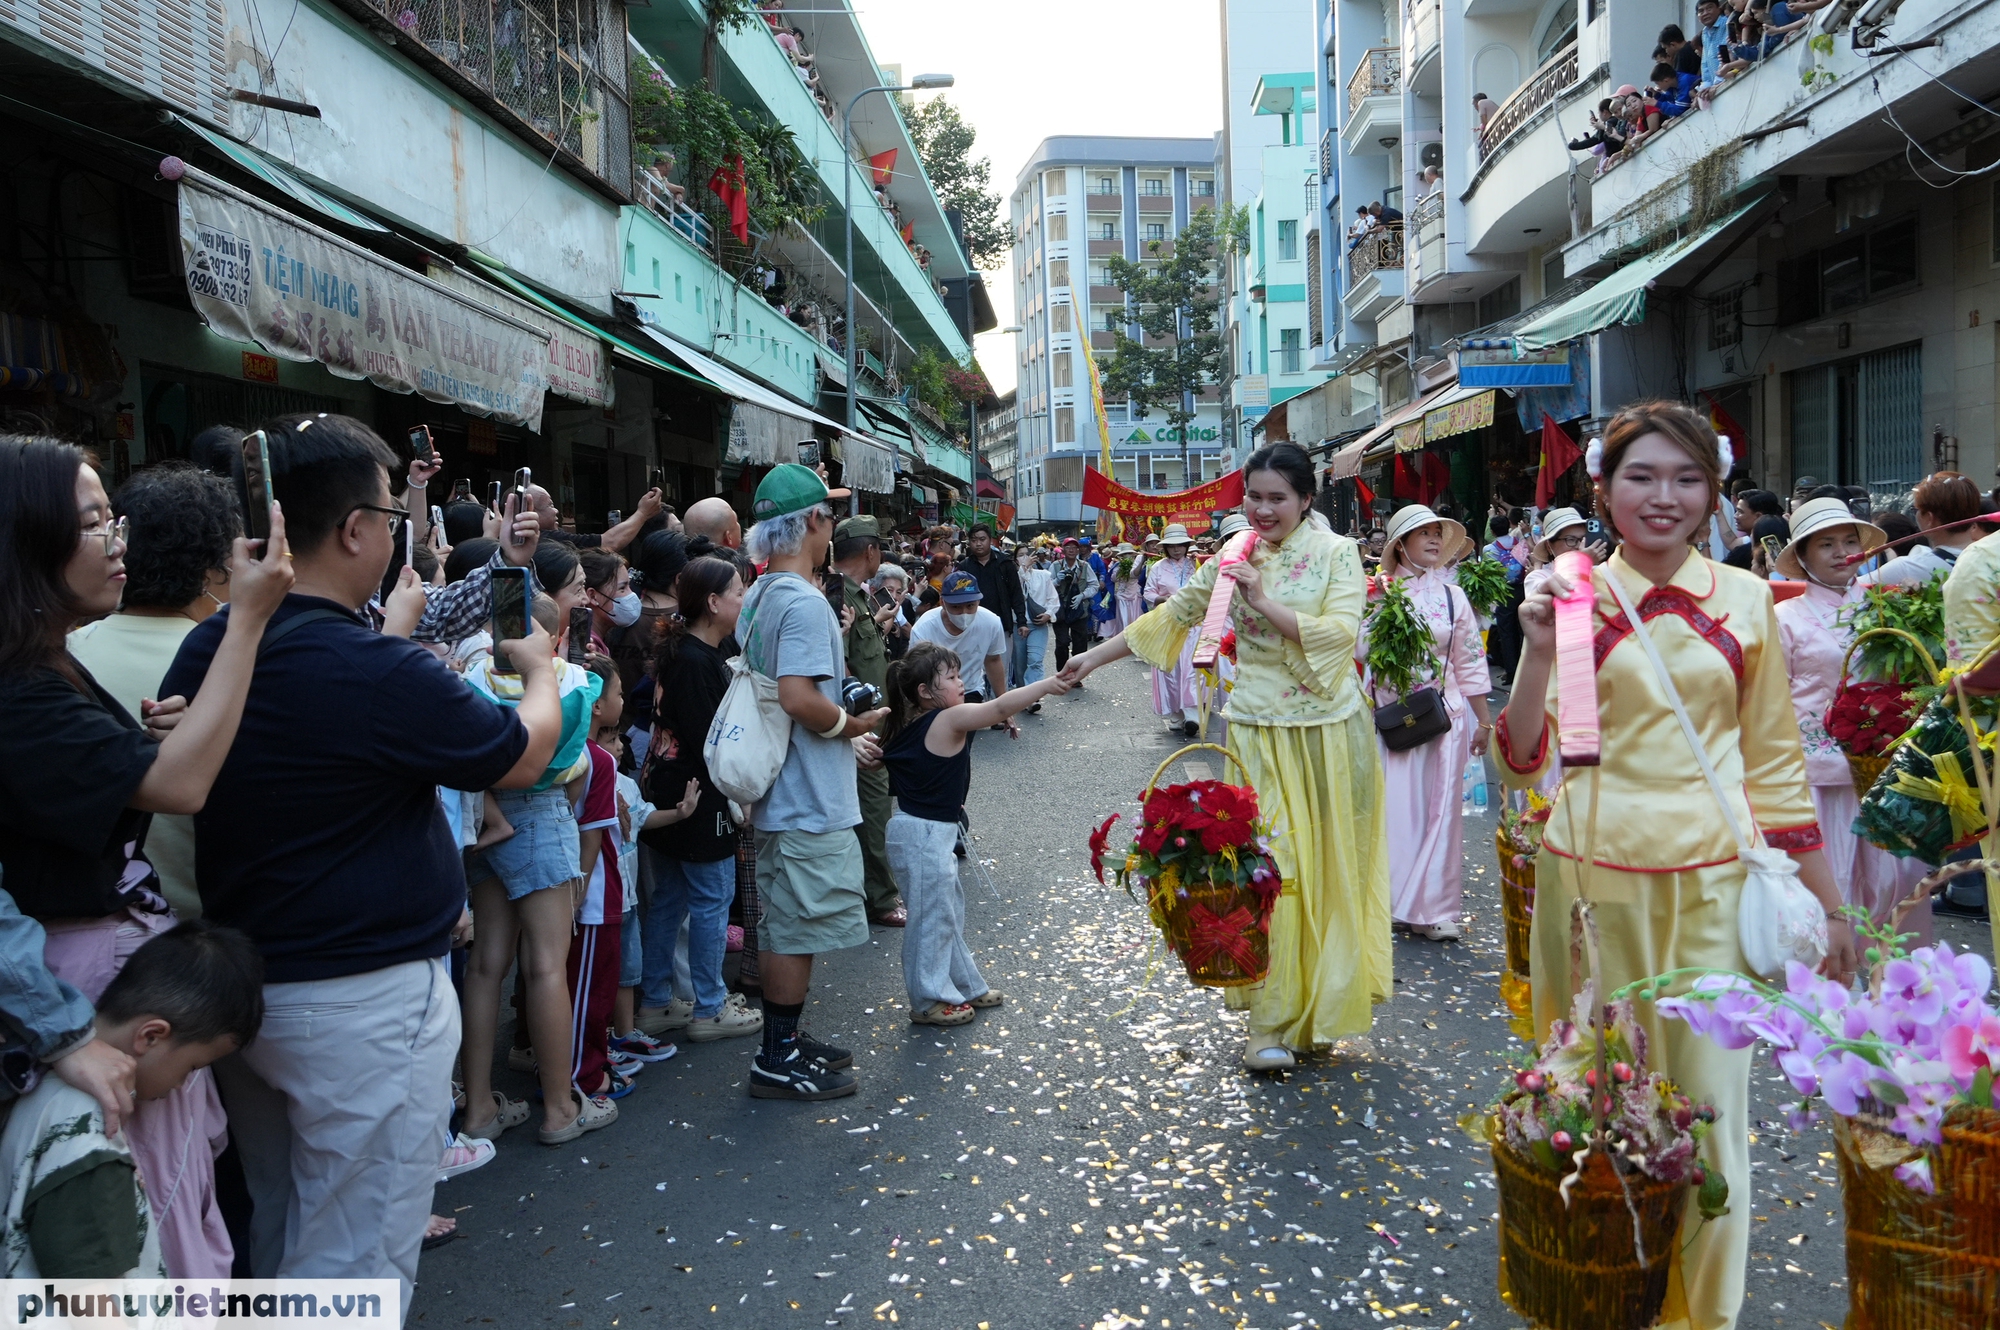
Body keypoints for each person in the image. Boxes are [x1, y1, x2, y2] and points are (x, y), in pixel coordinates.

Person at [156, 414, 561, 1304]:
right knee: (355, 1259)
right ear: (354, 530)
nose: (392, 533)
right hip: (362, 1001)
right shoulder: (374, 668)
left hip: (245, 988)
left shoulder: (213, 645)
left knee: (282, 1223)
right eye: (391, 516)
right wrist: (539, 674)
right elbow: (523, 756)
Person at [1499, 400, 1855, 1330]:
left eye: (1686, 479)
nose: (1664, 498)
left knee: (1709, 1113)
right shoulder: (1568, 593)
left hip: (1711, 883)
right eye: (1641, 477)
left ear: (1714, 490)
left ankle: (1704, 1313)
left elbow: (1775, 765)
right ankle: (1604, 1291)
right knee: (1593, 1100)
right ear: (1603, 489)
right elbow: (1530, 757)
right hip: (1589, 887)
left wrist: (1833, 909)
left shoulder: (1747, 600)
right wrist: (1537, 655)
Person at [0, 434, 295, 1275]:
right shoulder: (19, 691)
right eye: (94, 525)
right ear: (24, 541)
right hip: (78, 986)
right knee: (141, 1222)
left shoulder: (50, 661)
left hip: (98, 976)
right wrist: (247, 618)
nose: (116, 543)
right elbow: (182, 785)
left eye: (114, 519)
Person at [1061, 442, 1391, 1072]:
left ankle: (1317, 1014)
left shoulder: (1338, 553)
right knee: (1271, 867)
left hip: (1331, 728)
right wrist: (1091, 662)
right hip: (1257, 729)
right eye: (1254, 497)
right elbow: (1174, 614)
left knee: (1329, 867)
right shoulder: (1232, 554)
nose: (1262, 511)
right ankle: (1267, 1022)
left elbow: (1340, 634)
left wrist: (1264, 601)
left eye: (1277, 499)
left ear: (1306, 500)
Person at [738, 464, 887, 1100]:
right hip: (803, 792)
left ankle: (787, 1042)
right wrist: (851, 725)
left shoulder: (761, 592)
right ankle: (775, 1058)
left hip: (783, 787)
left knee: (789, 920)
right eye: (826, 516)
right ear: (810, 525)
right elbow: (800, 698)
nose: (831, 527)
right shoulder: (798, 601)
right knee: (795, 926)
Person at [0, 920, 263, 1279]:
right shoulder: (88, 1133)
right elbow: (86, 1298)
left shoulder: (35, 1090)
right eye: (192, 1068)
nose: (181, 1086)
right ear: (151, 1036)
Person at [459, 591, 611, 1142]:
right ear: (550, 638)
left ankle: (478, 1109)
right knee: (547, 965)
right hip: (541, 814)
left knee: (485, 966)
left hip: (485, 814)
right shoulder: (568, 680)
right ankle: (559, 1108)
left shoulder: (472, 678)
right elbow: (571, 758)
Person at [67, 462, 240, 922]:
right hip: (214, 933)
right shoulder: (235, 664)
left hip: (102, 927)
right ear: (212, 570)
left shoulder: (60, 656)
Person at [880, 642, 1069, 1026]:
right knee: (932, 920)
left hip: (923, 832)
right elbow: (997, 708)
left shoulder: (912, 721)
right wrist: (1047, 684)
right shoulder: (948, 719)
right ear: (924, 692)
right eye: (950, 677)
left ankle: (963, 985)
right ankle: (929, 999)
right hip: (923, 834)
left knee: (944, 914)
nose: (961, 682)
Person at [1772, 499, 1934, 941]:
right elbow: (1772, 701)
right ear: (1803, 557)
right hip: (1822, 774)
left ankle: (1894, 992)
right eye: (1826, 544)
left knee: (1897, 885)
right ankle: (1830, 990)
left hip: (1889, 770)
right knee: (1834, 886)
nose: (1842, 552)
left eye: (1849, 541)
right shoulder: (1784, 618)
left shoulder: (1889, 606)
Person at [636, 557, 762, 1042]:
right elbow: (717, 743)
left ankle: (656, 1001)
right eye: (737, 592)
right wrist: (742, 797)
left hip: (672, 790)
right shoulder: (694, 660)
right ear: (713, 603)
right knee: (711, 899)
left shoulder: (698, 649)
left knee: (670, 898)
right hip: (697, 796)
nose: (743, 600)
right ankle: (709, 1007)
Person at [1365, 505, 1493, 941]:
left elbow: (1470, 661)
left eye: (1439, 533)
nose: (1435, 541)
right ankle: (1398, 901)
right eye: (1425, 534)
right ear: (1401, 544)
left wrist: (1484, 721)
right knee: (1398, 812)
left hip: (1445, 717)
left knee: (1441, 814)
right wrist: (1378, 603)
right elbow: (1360, 652)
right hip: (1395, 718)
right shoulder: (1379, 592)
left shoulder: (1453, 596)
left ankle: (1435, 909)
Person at [831, 516, 906, 927]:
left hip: (869, 722)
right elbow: (837, 664)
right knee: (875, 810)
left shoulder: (859, 597)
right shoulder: (839, 597)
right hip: (856, 727)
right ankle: (880, 897)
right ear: (871, 552)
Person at [909, 571, 1011, 709]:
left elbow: (992, 661)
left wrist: (1003, 705)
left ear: (978, 602)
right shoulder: (924, 627)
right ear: (943, 603)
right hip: (935, 696)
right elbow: (917, 671)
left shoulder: (991, 622)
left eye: (970, 606)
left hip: (970, 691)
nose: (964, 613)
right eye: (956, 607)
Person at [1862, 471, 1983, 587]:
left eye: (1916, 510)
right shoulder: (1992, 557)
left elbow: (1848, 592)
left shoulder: (1906, 568)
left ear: (1929, 518)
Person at [1143, 525, 1205, 737]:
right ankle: (1177, 713)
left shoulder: (1196, 565)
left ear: (1187, 546)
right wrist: (1162, 599)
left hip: (1194, 625)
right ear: (1165, 548)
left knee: (1191, 669)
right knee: (1171, 670)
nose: (1177, 550)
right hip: (1169, 624)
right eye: (1172, 546)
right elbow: (1148, 593)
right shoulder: (1158, 568)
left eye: (1181, 545)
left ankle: (1192, 714)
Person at [955, 523, 1026, 645]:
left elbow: (1016, 594)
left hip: (1001, 625)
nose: (978, 544)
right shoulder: (964, 567)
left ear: (990, 540)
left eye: (982, 539)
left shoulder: (1005, 564)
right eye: (974, 540)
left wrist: (1022, 622)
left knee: (1000, 662)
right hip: (971, 628)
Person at [1049, 537, 1101, 677]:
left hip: (1080, 610)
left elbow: (1094, 585)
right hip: (1060, 610)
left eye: (1074, 547)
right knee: (1062, 643)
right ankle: (1062, 674)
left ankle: (1076, 676)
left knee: (1080, 644)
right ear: (1063, 550)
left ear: (1078, 550)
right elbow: (1046, 587)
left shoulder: (1084, 566)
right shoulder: (1055, 566)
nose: (1071, 550)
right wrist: (1056, 581)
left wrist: (1082, 596)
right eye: (1068, 547)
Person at [1013, 545, 1057, 695]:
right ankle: (1021, 695)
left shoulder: (1043, 575)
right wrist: (1022, 569)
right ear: (1015, 559)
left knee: (1035, 660)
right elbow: (1016, 588)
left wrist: (1048, 614)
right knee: (1020, 664)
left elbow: (1053, 599)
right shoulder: (1012, 576)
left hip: (1038, 625)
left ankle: (1032, 695)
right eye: (1021, 555)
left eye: (1027, 554)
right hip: (1018, 624)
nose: (1025, 558)